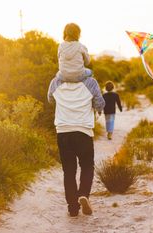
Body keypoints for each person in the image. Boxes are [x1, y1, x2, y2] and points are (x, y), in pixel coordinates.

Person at [47, 70, 105, 217]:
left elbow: (50, 100)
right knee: (87, 166)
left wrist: (65, 101)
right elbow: (100, 104)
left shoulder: (56, 82)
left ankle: (73, 208)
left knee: (69, 171)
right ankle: (83, 194)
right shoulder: (90, 82)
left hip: (63, 132)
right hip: (83, 132)